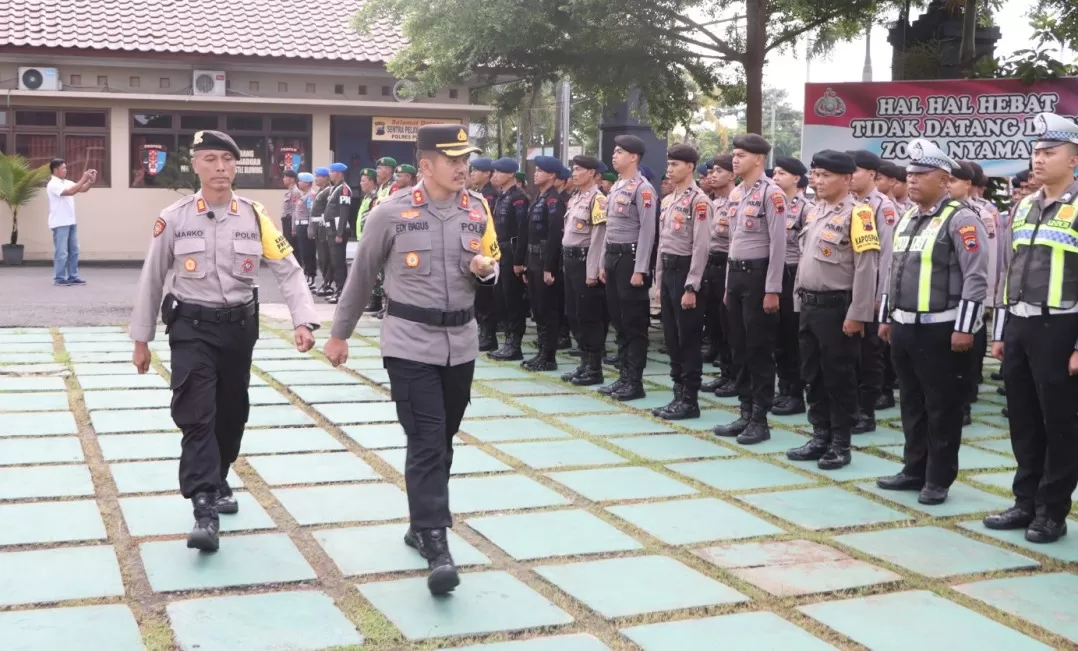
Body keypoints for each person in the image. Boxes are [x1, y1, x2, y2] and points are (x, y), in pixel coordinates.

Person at [323, 124, 499, 592]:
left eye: (467, 159)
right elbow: (360, 279)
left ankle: (420, 520)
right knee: (425, 437)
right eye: (453, 160)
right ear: (426, 165)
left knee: (442, 439)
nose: (464, 168)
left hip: (460, 343)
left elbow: (489, 266)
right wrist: (340, 335)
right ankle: (436, 540)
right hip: (408, 342)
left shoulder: (477, 210)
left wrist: (484, 271)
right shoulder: (389, 213)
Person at [129, 129, 319, 551]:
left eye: (227, 160)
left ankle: (219, 476)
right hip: (190, 330)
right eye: (210, 159)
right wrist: (141, 339)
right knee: (197, 413)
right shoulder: (175, 217)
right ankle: (204, 507)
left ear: (236, 166)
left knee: (232, 414)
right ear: (195, 165)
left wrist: (303, 320)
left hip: (237, 331)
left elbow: (288, 268)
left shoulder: (254, 216)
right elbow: (152, 278)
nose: (220, 168)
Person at [876, 138, 988, 505]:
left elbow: (975, 278)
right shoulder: (908, 216)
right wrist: (886, 317)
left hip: (942, 328)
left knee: (942, 405)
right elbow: (892, 270)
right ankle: (913, 469)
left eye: (921, 174)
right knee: (911, 401)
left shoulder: (962, 218)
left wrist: (964, 328)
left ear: (943, 179)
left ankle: (938, 478)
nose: (911, 180)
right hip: (905, 325)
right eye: (909, 174)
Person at [984, 113, 1078, 543]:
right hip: (1020, 325)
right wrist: (1001, 331)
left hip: (1061, 327)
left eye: (1049, 152)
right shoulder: (1022, 205)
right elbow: (1008, 268)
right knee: (1022, 418)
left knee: (1060, 421)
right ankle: (1025, 501)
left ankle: (1052, 511)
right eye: (1036, 152)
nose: (1038, 160)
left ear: (1073, 159)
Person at [786, 150, 878, 469]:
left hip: (838, 309)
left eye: (826, 175)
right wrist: (799, 298)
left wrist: (858, 313)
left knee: (839, 376)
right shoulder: (814, 211)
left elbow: (867, 267)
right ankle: (819, 434)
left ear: (847, 179)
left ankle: (841, 442)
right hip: (810, 305)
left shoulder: (859, 214)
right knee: (813, 374)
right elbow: (805, 259)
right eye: (816, 174)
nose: (818, 181)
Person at [713, 134, 785, 445]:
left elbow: (779, 245)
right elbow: (732, 244)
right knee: (738, 347)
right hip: (737, 276)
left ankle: (760, 419)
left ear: (759, 159)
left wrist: (772, 289)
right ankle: (744, 411)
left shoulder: (773, 194)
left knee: (758, 349)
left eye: (741, 155)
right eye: (735, 154)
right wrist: (729, 285)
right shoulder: (736, 194)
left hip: (758, 278)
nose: (735, 159)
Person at [652, 144, 712, 420]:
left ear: (689, 166)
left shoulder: (699, 201)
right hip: (669, 272)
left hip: (687, 273)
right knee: (672, 337)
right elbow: (663, 245)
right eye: (669, 164)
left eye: (676, 164)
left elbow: (701, 247)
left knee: (688, 338)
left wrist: (692, 286)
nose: (670, 168)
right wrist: (659, 281)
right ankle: (677, 394)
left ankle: (690, 399)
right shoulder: (669, 200)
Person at [598, 135, 657, 401]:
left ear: (633, 157)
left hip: (631, 260)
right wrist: (602, 263)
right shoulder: (618, 186)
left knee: (634, 322)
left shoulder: (643, 189)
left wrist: (641, 269)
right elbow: (608, 229)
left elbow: (647, 232)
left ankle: (635, 381)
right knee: (618, 320)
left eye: (620, 151)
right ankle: (623, 376)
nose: (614, 155)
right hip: (613, 258)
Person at [847, 150, 897, 434]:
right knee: (849, 354)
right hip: (849, 289)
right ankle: (851, 406)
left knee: (869, 355)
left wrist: (881, 296)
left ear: (872, 175)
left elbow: (887, 256)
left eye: (855, 171)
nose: (850, 177)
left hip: (873, 292)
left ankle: (866, 412)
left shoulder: (883, 206)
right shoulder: (849, 203)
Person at [949, 161, 998, 425]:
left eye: (952, 181)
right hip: (942, 299)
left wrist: (985, 296)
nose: (947, 186)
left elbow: (985, 262)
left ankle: (965, 402)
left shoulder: (981, 213)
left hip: (971, 295)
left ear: (967, 184)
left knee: (969, 349)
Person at [770, 156, 812, 416]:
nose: (775, 178)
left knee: (792, 337)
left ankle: (795, 393)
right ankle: (783, 388)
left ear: (796, 178)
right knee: (776, 337)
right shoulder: (774, 205)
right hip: (774, 274)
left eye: (781, 173)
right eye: (774, 173)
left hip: (794, 275)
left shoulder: (806, 208)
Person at [561, 155, 608, 385]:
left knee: (589, 316)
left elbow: (598, 238)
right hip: (570, 262)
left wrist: (592, 271)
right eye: (573, 169)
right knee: (573, 314)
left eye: (579, 169)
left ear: (591, 173)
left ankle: (594, 367)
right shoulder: (575, 197)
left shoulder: (598, 200)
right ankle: (583, 363)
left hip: (584, 263)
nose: (574, 173)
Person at [517, 156, 567, 370]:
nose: (535, 173)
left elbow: (555, 237)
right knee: (537, 309)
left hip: (546, 262)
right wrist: (527, 264)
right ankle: (541, 353)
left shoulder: (553, 201)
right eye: (535, 170)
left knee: (548, 311)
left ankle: (548, 357)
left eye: (540, 170)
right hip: (534, 260)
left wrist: (549, 268)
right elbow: (529, 234)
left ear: (552, 175)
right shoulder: (539, 198)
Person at [702, 155, 739, 396]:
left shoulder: (737, 202)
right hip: (710, 265)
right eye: (711, 171)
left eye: (718, 171)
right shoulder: (712, 202)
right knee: (715, 323)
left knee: (731, 326)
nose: (712, 175)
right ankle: (725, 373)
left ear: (731, 175)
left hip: (729, 265)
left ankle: (736, 376)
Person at [488, 157, 530, 361]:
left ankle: (514, 344)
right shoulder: (502, 196)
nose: (494, 175)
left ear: (511, 174)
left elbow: (523, 231)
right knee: (502, 298)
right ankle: (507, 340)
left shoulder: (518, 198)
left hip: (512, 252)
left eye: (499, 171)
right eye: (493, 171)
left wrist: (519, 261)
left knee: (513, 300)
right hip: (500, 251)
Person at [47, 158, 96, 286]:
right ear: (56, 170)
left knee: (74, 250)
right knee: (61, 252)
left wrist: (90, 181)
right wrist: (83, 178)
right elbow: (70, 192)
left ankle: (73, 276)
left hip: (71, 221)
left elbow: (82, 189)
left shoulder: (66, 182)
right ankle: (59, 278)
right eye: (63, 168)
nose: (66, 170)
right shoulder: (53, 184)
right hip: (59, 223)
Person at [469, 157, 500, 352]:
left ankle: (488, 335)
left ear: (487, 174)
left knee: (486, 296)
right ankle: (482, 332)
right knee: (479, 296)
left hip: (488, 250)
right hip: (477, 250)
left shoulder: (488, 196)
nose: (472, 173)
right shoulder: (479, 194)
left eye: (476, 170)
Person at [324, 162, 353, 305]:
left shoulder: (344, 189)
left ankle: (342, 291)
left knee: (339, 263)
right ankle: (338, 289)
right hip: (331, 229)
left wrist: (340, 233)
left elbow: (344, 211)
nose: (330, 174)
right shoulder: (335, 188)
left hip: (337, 230)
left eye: (332, 171)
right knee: (334, 262)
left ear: (339, 174)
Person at [311, 168, 335, 297]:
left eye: (319, 177)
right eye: (316, 177)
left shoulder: (328, 191)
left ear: (326, 178)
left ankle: (328, 283)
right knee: (321, 257)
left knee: (326, 257)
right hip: (318, 227)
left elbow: (328, 211)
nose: (316, 179)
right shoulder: (321, 191)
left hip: (324, 227)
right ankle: (325, 282)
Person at [292, 172, 317, 287]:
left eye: (301, 181)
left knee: (308, 253)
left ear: (307, 183)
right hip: (300, 226)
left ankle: (311, 277)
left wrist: (310, 229)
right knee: (303, 252)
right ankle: (307, 274)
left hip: (306, 226)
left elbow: (312, 213)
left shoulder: (310, 195)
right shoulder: (303, 195)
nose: (298, 183)